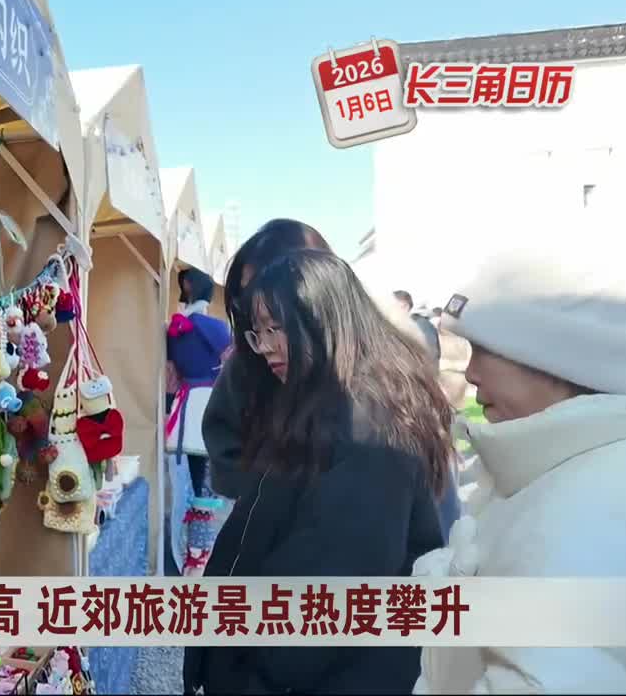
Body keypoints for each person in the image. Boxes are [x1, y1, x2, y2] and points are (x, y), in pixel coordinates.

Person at [184, 250, 453, 695]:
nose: (265, 347)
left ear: (322, 319)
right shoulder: (324, 404)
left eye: (276, 328)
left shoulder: (368, 427)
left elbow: (324, 601)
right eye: (257, 333)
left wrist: (251, 674)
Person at [413, 240, 626, 693]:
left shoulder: (593, 517)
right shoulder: (584, 465)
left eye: (485, 349)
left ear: (562, 358)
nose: (470, 373)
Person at [205, 219, 333, 499]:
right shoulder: (246, 361)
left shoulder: (378, 382)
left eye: (265, 291)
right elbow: (223, 444)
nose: (254, 308)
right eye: (245, 297)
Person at [164, 267, 232, 575]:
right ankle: (199, 552)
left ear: (189, 287)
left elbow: (171, 374)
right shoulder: (216, 327)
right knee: (204, 484)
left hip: (186, 406)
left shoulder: (176, 328)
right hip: (209, 405)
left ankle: (189, 553)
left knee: (186, 484)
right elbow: (230, 367)